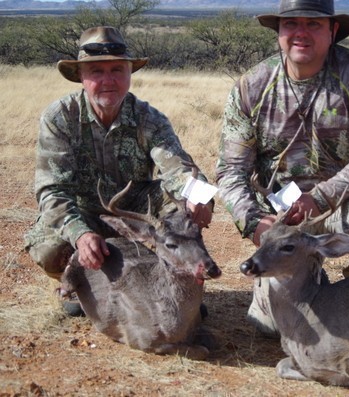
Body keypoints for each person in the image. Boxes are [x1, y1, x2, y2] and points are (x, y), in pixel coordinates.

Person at [216, 0, 349, 336]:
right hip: (282, 227)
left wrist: (322, 197)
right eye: (291, 24)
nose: (301, 33)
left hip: (341, 208)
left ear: (333, 30)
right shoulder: (252, 85)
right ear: (279, 31)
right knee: (270, 330)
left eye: (314, 24)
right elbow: (230, 170)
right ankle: (296, 289)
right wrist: (254, 223)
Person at [24, 26, 213, 316]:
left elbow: (179, 168)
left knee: (180, 212)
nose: (108, 80)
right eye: (97, 71)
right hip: (82, 212)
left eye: (117, 70)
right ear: (82, 77)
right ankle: (80, 282)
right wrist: (80, 234)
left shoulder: (149, 118)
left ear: (128, 74)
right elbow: (52, 190)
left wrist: (199, 196)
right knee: (48, 248)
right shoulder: (59, 117)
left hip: (136, 214)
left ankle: (178, 287)